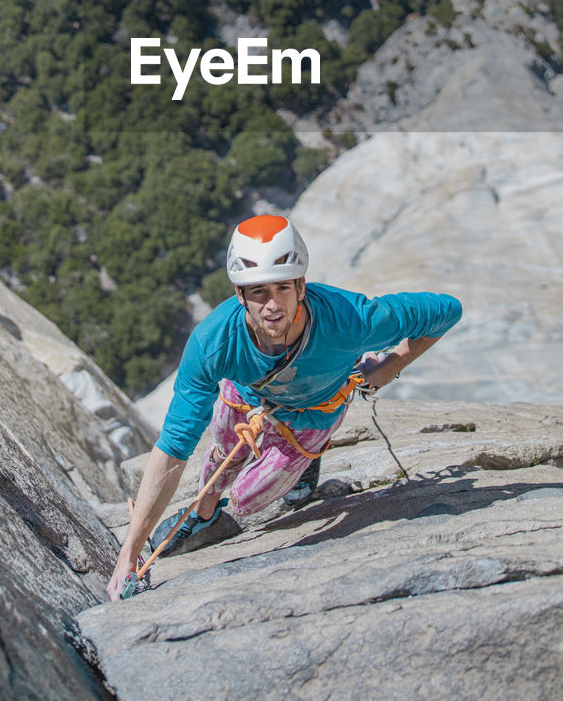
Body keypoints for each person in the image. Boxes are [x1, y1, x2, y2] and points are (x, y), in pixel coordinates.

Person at [106, 213, 462, 600]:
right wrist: (130, 553)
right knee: (222, 453)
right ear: (239, 295)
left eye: (282, 288)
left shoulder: (351, 321)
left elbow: (446, 310)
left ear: (302, 286)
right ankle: (204, 514)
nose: (272, 305)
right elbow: (174, 446)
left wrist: (392, 365)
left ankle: (306, 466)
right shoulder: (213, 343)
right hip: (248, 398)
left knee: (247, 500)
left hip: (314, 410)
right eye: (258, 292)